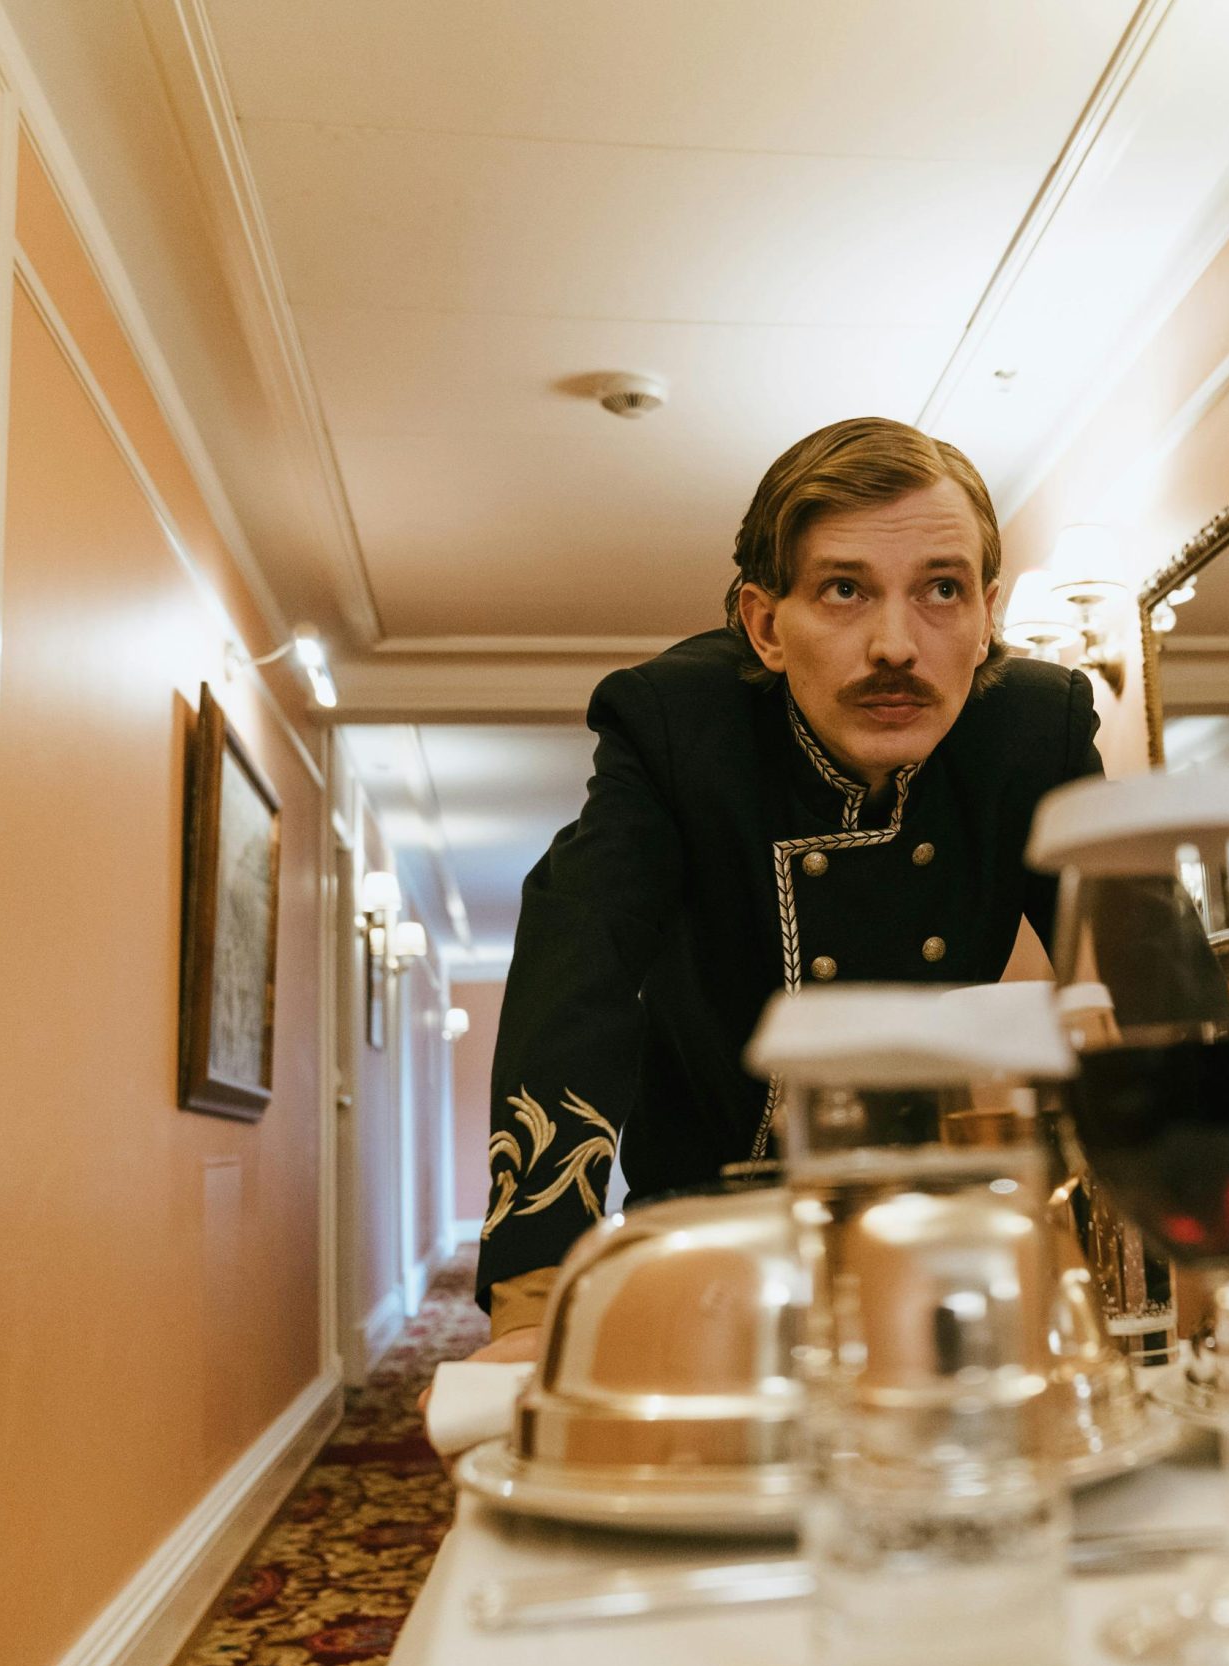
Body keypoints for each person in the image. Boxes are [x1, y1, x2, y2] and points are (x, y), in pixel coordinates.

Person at [467, 417, 1103, 1364]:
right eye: (845, 590)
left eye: (941, 591)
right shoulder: (677, 726)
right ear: (765, 624)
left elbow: (1137, 969)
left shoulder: (1034, 728)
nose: (898, 644)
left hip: (936, 1228)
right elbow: (580, 966)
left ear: (987, 616)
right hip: (705, 1228)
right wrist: (535, 1299)